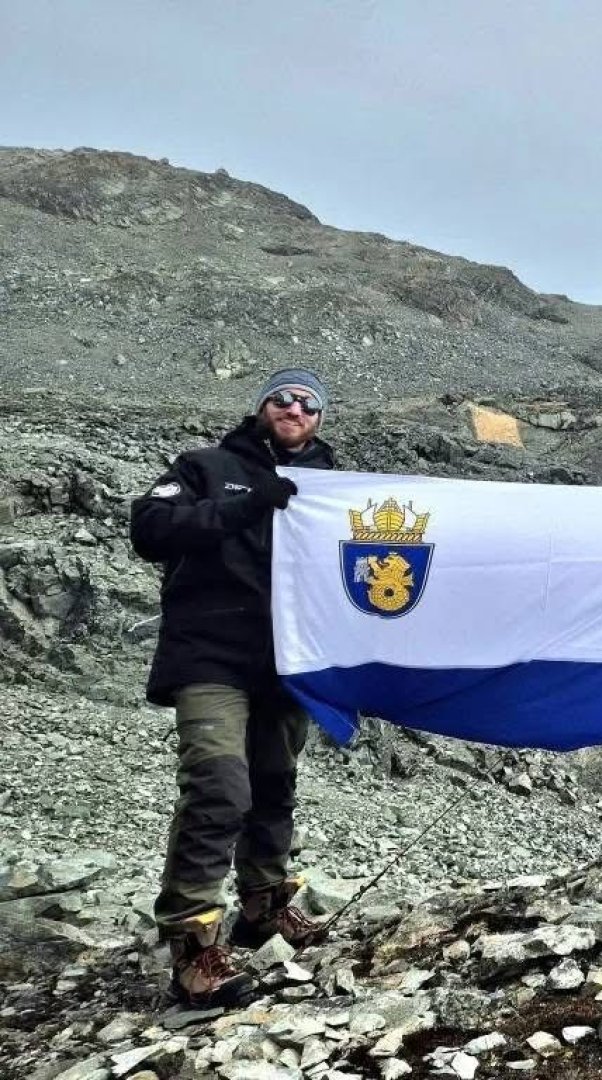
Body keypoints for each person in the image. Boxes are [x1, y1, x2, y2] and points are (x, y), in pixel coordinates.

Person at [131, 368, 336, 1007]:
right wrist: (248, 505)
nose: (295, 408)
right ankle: (192, 942)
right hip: (210, 657)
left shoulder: (332, 485)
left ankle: (263, 907)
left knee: (274, 783)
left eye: (309, 402)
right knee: (220, 786)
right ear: (261, 407)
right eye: (283, 397)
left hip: (287, 661)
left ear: (320, 418)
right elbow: (150, 528)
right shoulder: (205, 466)